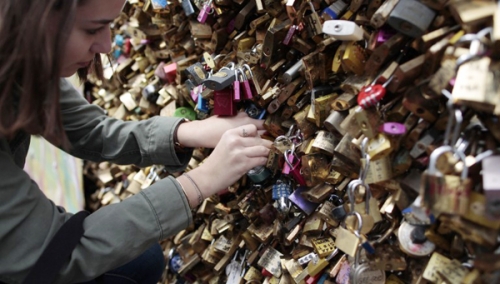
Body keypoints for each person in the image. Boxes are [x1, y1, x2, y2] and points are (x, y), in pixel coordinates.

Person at [0, 0, 272, 283]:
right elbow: (52, 255)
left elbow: (91, 131)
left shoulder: (18, 56)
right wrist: (201, 180)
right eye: (92, 29)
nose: (106, 46)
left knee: (142, 260)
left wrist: (187, 133)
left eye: (109, 25)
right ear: (36, 21)